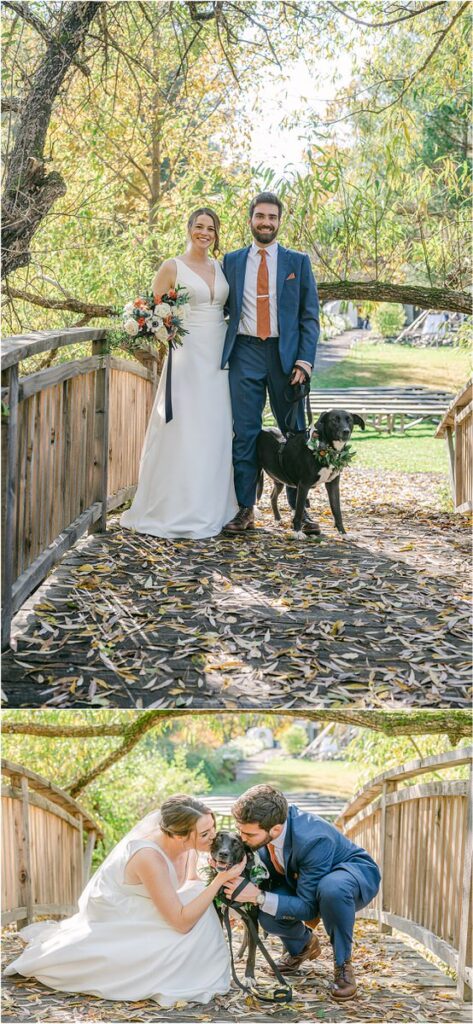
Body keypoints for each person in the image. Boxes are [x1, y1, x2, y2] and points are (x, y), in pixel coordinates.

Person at [5, 795, 245, 1007]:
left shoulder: (191, 846)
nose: (213, 837)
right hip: (121, 916)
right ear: (179, 836)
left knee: (199, 904)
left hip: (153, 908)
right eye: (205, 834)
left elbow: (192, 881)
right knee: (197, 915)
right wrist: (220, 881)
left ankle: (196, 965)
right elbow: (181, 922)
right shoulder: (149, 857)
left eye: (212, 828)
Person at [120, 208, 238, 539]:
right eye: (199, 226)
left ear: (216, 233)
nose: (205, 232)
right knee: (185, 427)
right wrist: (165, 333)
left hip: (219, 355)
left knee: (215, 428)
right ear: (188, 229)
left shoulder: (221, 266)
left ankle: (215, 505)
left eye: (211, 227)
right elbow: (155, 314)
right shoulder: (171, 267)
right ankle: (177, 506)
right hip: (187, 356)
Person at [221, 191, 320, 535]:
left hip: (286, 358)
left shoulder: (298, 262)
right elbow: (217, 307)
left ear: (279, 222)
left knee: (295, 435)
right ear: (250, 219)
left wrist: (305, 362)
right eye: (260, 216)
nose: (266, 222)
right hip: (244, 353)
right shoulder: (231, 261)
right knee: (244, 433)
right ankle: (245, 509)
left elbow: (310, 317)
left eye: (272, 217)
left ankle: (301, 512)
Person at [225, 784, 381, 1001]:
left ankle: (343, 965)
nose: (241, 838)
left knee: (331, 888)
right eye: (239, 830)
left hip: (349, 875)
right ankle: (302, 946)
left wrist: (257, 896)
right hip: (299, 877)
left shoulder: (313, 838)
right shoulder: (264, 828)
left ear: (276, 829)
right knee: (267, 913)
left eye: (248, 833)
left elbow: (308, 908)